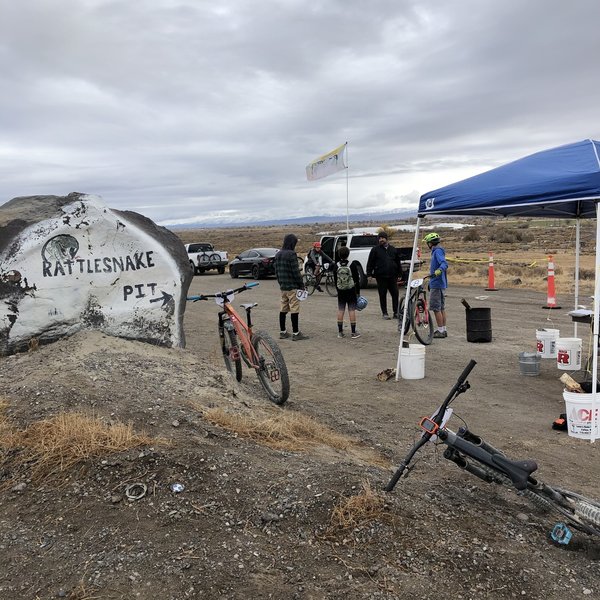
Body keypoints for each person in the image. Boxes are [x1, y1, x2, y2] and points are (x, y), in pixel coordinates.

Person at [274, 233, 309, 341]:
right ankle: (296, 333)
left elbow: (276, 271)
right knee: (294, 308)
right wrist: (301, 285)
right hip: (292, 286)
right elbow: (296, 272)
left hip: (283, 286)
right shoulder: (292, 254)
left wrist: (281, 283)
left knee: (283, 308)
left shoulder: (278, 254)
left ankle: (283, 332)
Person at [366, 231, 400, 319]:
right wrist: (369, 274)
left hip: (392, 276)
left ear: (386, 239)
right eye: (379, 238)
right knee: (382, 294)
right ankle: (385, 313)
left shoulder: (393, 249)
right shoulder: (375, 250)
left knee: (395, 294)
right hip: (381, 277)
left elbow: (398, 262)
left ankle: (396, 312)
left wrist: (400, 274)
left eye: (382, 238)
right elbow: (370, 263)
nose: (381, 240)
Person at [423, 232, 448, 339]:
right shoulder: (437, 251)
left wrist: (439, 270)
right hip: (439, 283)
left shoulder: (437, 251)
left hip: (437, 284)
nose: (427, 245)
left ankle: (440, 330)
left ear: (430, 243)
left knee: (436, 308)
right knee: (441, 308)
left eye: (427, 243)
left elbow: (444, 264)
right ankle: (443, 329)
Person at [334, 245, 361, 339]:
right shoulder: (352, 265)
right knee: (351, 310)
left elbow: (335, 279)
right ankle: (353, 332)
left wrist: (338, 289)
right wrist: (358, 292)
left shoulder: (336, 265)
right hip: (351, 290)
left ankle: (340, 332)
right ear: (348, 254)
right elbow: (356, 279)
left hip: (341, 290)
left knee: (341, 310)